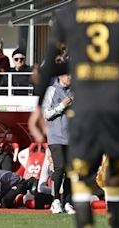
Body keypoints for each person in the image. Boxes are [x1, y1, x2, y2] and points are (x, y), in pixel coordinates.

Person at [28, 1, 119, 227]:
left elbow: (49, 63)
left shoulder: (67, 15)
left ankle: (84, 221)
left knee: (80, 173)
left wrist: (38, 105)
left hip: (85, 106)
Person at [42, 63, 75, 214]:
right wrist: (62, 106)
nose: (70, 77)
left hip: (72, 137)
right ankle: (55, 200)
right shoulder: (52, 90)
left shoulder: (75, 91)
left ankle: (67, 202)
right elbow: (46, 114)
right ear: (61, 75)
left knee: (70, 170)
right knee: (60, 167)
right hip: (56, 136)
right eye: (68, 75)